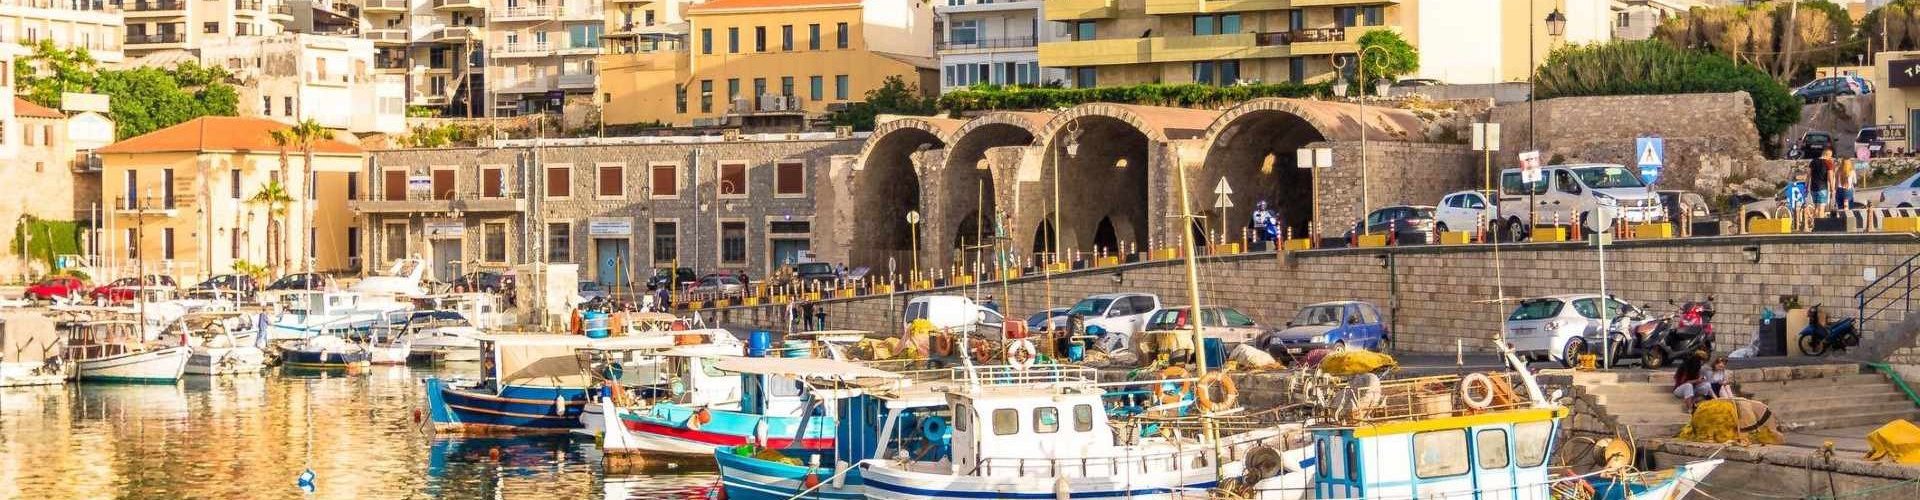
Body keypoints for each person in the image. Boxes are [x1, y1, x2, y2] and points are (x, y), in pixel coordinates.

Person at [1809, 149, 1834, 215]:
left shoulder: (1813, 162)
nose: (1830, 158)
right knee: (1821, 209)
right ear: (1827, 155)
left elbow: (1808, 175)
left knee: (1816, 208)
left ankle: (1815, 223)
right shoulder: (1828, 163)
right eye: (1830, 156)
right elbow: (1830, 177)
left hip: (1813, 188)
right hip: (1822, 188)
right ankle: (1820, 224)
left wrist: (1806, 186)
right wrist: (1832, 189)